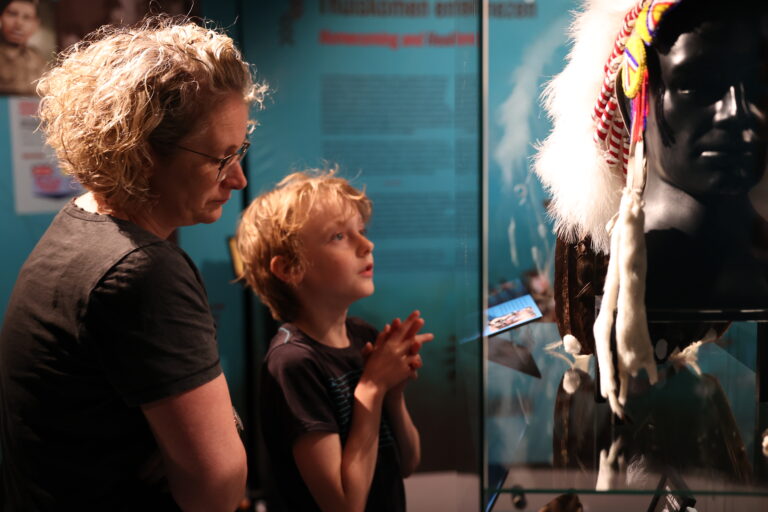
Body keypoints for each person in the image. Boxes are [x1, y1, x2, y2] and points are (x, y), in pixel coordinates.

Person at [0, 15, 267, 510]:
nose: (238, 180)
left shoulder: (76, 227)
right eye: (220, 158)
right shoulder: (143, 272)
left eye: (241, 151)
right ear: (140, 153)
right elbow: (218, 486)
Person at [236, 170, 433, 512]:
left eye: (362, 232)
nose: (367, 246)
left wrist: (393, 392)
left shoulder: (362, 335)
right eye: (339, 236)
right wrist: (373, 387)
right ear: (290, 269)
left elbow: (408, 462)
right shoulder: (293, 362)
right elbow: (345, 505)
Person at [0, 0, 46, 95]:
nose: (19, 23)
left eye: (27, 17)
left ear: (36, 25)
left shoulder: (39, 61)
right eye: (12, 14)